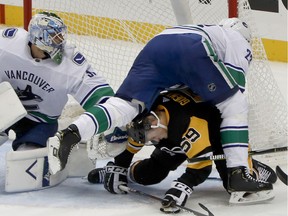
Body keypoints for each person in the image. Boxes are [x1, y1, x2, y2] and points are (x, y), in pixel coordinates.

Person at [48, 18, 273, 203]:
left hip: (157, 44)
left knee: (125, 105)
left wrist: (120, 166)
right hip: (190, 53)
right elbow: (232, 97)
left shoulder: (207, 29)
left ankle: (74, 132)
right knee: (234, 105)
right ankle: (238, 173)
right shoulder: (237, 40)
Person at [87, 89, 277, 212]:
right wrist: (119, 167)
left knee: (234, 186)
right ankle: (127, 174)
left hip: (216, 133)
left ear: (154, 122)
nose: (155, 141)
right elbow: (133, 144)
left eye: (153, 138)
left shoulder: (189, 124)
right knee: (149, 175)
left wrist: (182, 186)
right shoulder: (147, 120)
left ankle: (255, 169)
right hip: (175, 133)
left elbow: (201, 166)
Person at [0, 11, 114, 151]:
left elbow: (100, 93)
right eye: (55, 37)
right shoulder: (7, 44)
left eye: (61, 37)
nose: (61, 41)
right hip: (4, 107)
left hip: (40, 122)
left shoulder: (70, 63)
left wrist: (117, 112)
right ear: (39, 36)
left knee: (29, 162)